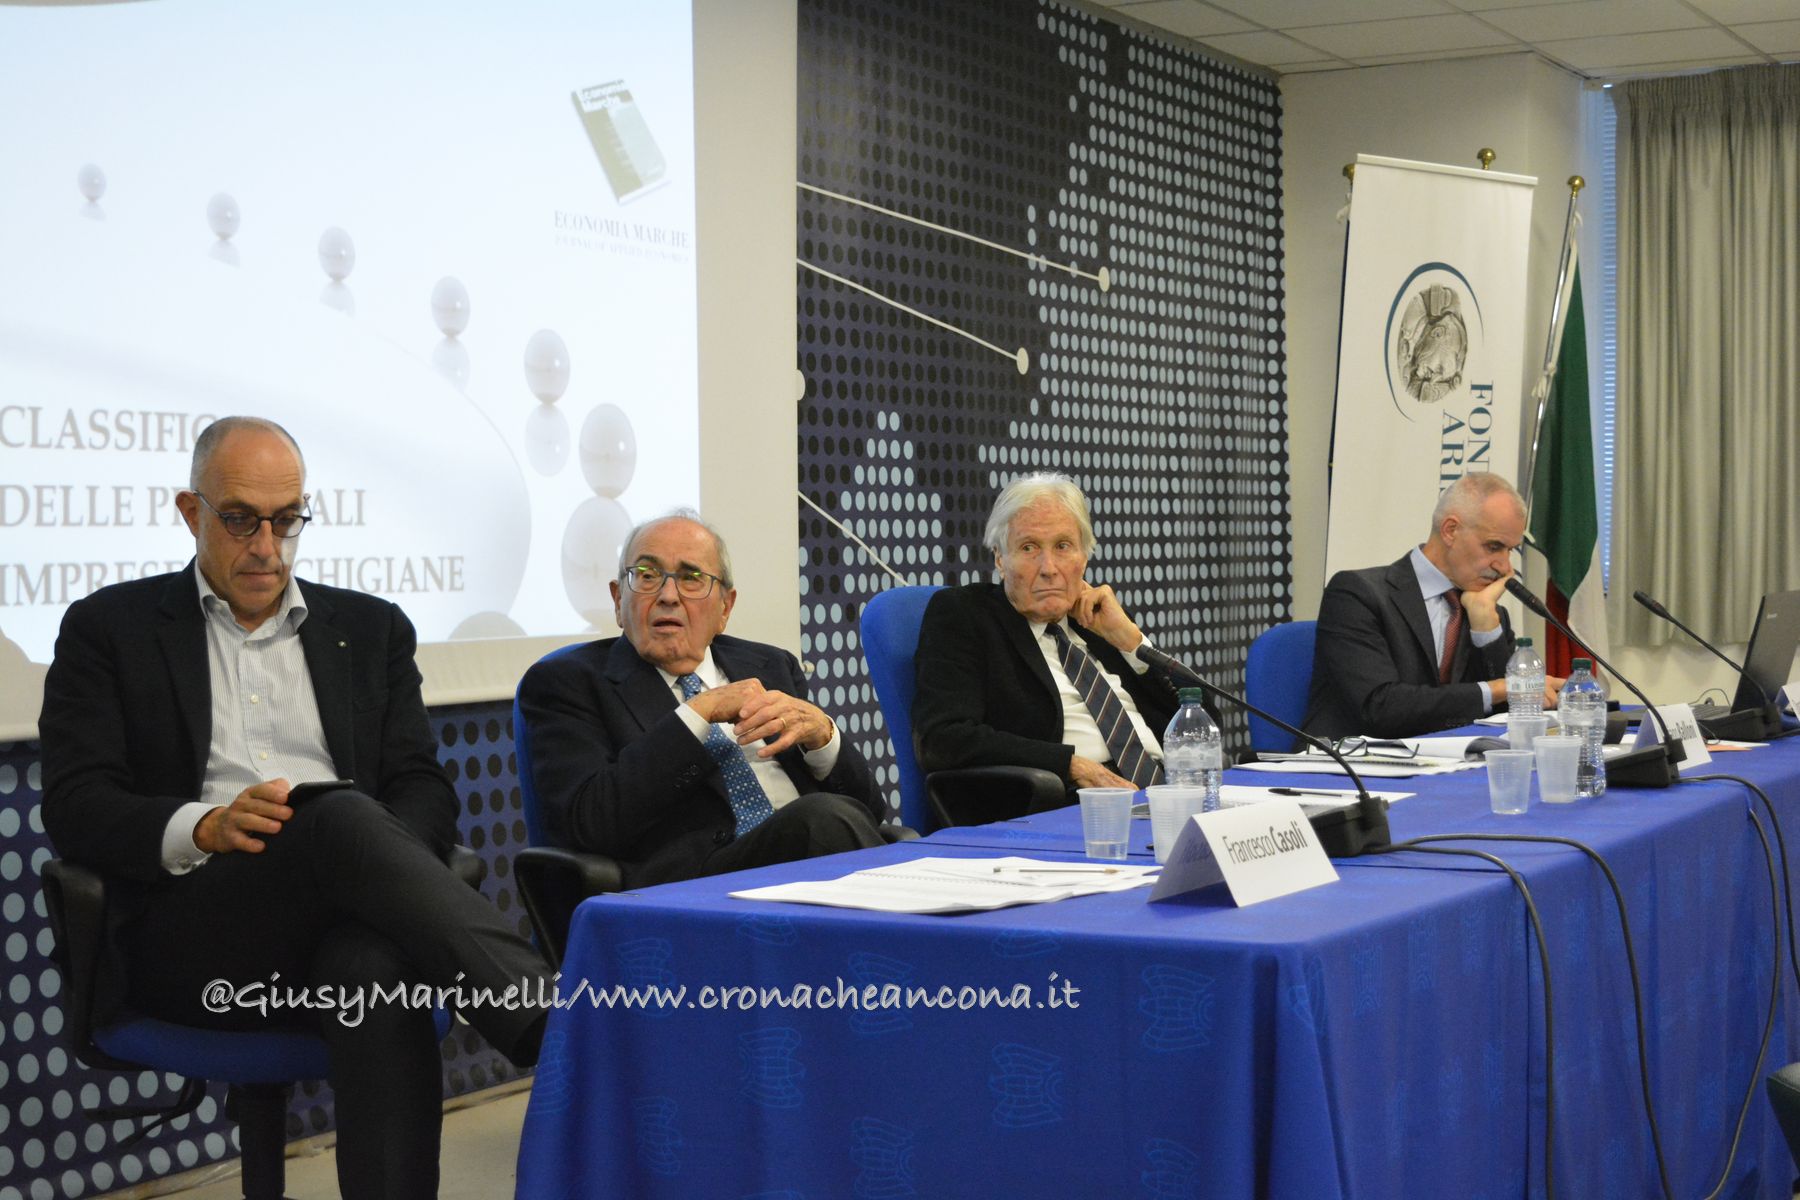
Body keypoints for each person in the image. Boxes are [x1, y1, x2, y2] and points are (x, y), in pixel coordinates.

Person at [38, 416, 551, 1200]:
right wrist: (205, 825)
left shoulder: (371, 629)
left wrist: (372, 866)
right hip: (193, 932)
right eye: (241, 519)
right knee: (335, 816)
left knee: (373, 964)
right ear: (191, 512)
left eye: (286, 520)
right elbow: (77, 806)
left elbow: (422, 787)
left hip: (338, 926)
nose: (267, 547)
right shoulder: (110, 629)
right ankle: (548, 1018)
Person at [517, 511, 886, 887]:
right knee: (821, 820)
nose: (667, 596)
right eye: (647, 575)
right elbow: (589, 824)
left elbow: (868, 812)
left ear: (725, 607)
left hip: (811, 867)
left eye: (691, 578)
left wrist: (824, 738)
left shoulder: (772, 666)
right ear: (617, 600)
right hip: (692, 885)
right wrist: (696, 714)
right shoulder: (567, 682)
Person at [912, 472, 1182, 808]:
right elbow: (942, 738)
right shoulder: (966, 615)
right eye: (1029, 548)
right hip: (1069, 802)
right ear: (1000, 559)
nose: (1049, 568)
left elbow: (1200, 723)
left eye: (1063, 546)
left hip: (1167, 791)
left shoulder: (1097, 622)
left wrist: (1131, 642)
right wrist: (1069, 765)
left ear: (1084, 557)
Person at [1302, 471, 1561, 740]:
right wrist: (1498, 688)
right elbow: (1379, 707)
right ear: (1450, 530)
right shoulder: (1357, 593)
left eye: (1510, 550)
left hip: (1444, 759)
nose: (1505, 566)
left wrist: (1486, 633)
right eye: (1494, 547)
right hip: (1350, 759)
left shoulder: (1487, 611)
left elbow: (1504, 717)